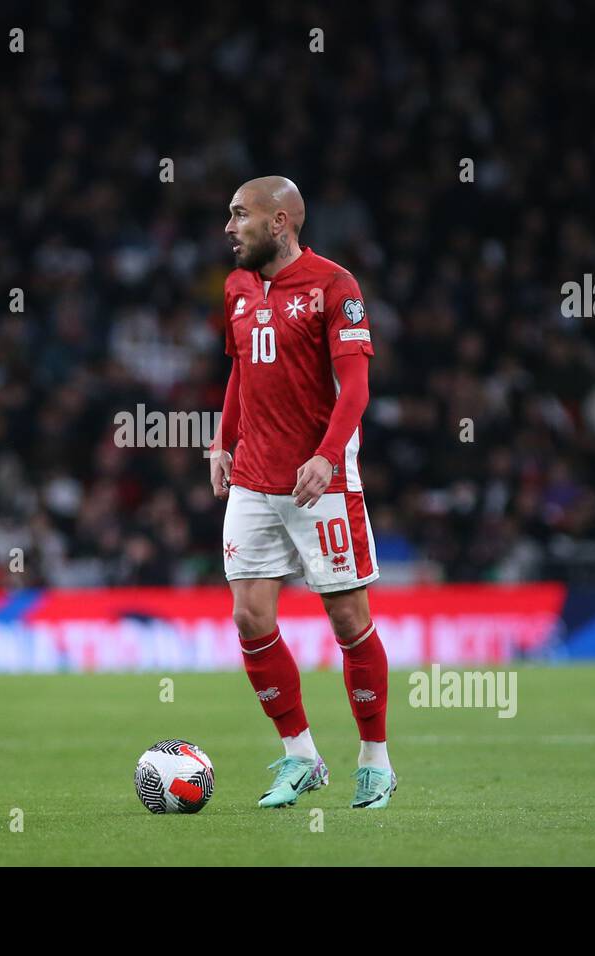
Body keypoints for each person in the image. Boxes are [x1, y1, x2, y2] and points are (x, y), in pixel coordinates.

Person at [210, 176, 396, 810]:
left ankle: (375, 759)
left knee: (348, 620)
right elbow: (239, 371)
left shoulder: (333, 286)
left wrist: (325, 456)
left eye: (240, 216)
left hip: (322, 483)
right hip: (254, 482)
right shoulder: (236, 287)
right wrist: (221, 442)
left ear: (280, 222)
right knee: (249, 616)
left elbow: (357, 390)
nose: (229, 227)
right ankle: (300, 755)